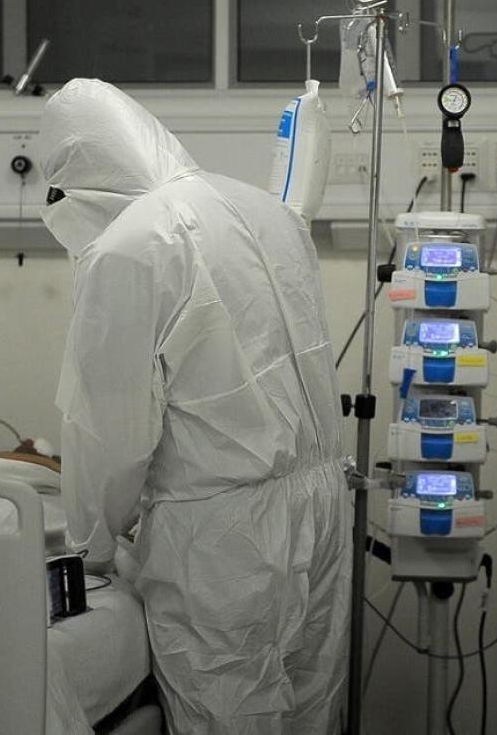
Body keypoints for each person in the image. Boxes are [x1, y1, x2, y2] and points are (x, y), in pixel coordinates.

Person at [38, 79, 351, 734]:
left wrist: (91, 546)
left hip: (224, 540)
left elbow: (109, 431)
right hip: (320, 505)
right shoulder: (265, 211)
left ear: (78, 182)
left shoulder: (132, 245)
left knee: (229, 713)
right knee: (311, 705)